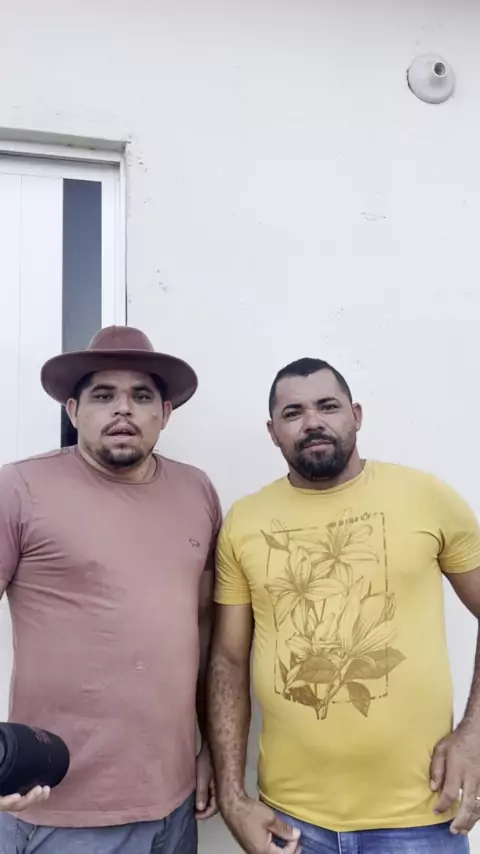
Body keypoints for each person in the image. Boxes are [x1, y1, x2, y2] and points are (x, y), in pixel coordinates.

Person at [208, 357, 480, 854]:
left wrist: (474, 734)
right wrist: (232, 797)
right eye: (293, 413)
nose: (312, 422)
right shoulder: (244, 522)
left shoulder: (425, 496)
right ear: (272, 432)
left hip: (419, 818)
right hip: (291, 821)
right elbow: (228, 660)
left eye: (327, 406)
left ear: (356, 415)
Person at [0, 326, 221, 854]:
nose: (123, 409)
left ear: (164, 413)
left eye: (141, 396)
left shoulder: (196, 491)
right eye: (103, 395)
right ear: (74, 411)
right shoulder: (20, 489)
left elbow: (203, 632)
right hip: (60, 807)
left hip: (173, 803)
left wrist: (210, 749)